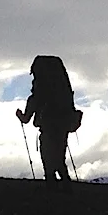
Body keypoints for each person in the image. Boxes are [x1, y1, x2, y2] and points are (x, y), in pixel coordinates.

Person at [15, 54, 81, 188]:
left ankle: (51, 184)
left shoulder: (37, 96)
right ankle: (65, 184)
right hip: (62, 127)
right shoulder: (63, 94)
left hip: (47, 128)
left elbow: (26, 118)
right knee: (59, 156)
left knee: (47, 155)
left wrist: (20, 116)